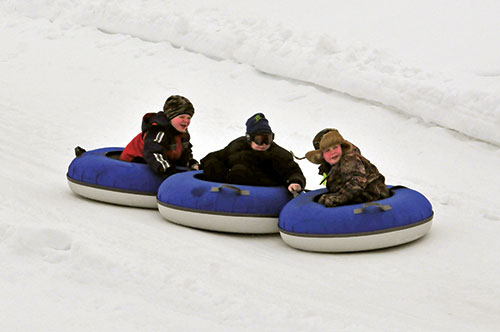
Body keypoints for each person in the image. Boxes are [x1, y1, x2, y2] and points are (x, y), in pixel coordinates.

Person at [200, 113, 305, 193]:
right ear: (249, 138)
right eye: (259, 139)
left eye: (267, 139)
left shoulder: (277, 154)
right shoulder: (237, 146)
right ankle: (207, 197)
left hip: (261, 190)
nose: (264, 144)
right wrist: (199, 165)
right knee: (212, 164)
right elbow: (219, 156)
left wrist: (295, 182)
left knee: (239, 171)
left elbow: (292, 170)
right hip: (231, 187)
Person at [305, 129, 389, 207]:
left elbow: (357, 182)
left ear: (341, 147)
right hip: (359, 198)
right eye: (327, 150)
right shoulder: (332, 166)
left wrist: (335, 199)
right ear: (322, 155)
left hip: (372, 198)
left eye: (335, 147)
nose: (333, 152)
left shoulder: (349, 159)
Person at [120, 95, 199, 177]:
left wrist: (190, 162)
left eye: (188, 118)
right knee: (157, 166)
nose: (186, 121)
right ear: (170, 117)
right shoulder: (158, 131)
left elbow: (184, 151)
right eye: (181, 117)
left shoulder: (182, 133)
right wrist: (168, 171)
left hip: (158, 161)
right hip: (135, 161)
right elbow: (153, 152)